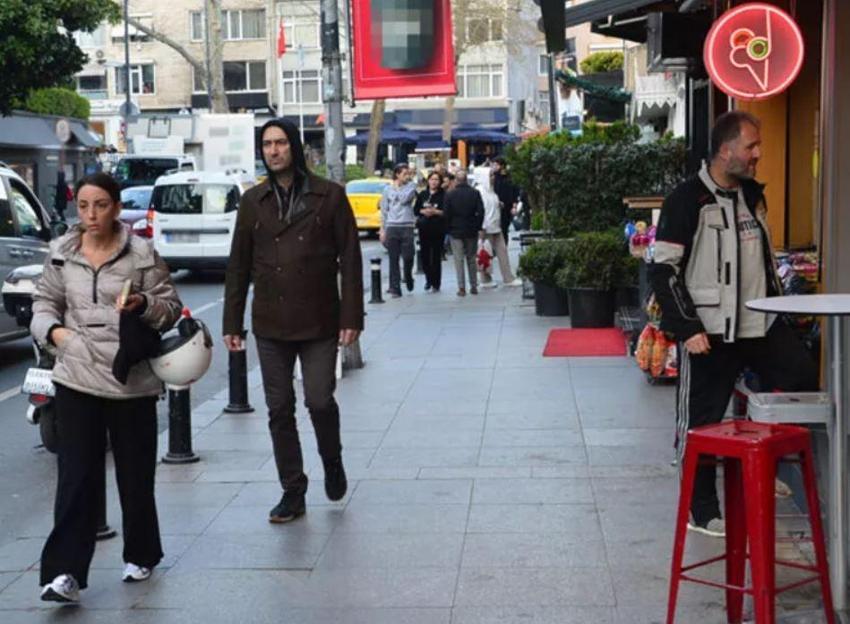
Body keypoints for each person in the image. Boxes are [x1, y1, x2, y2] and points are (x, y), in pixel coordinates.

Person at [649, 111, 818, 538]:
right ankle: (701, 507)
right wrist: (688, 329)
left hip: (760, 323)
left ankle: (769, 463)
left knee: (801, 378)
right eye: (752, 147)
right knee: (701, 420)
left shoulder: (753, 196)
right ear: (726, 151)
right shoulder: (687, 200)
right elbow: (664, 271)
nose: (758, 154)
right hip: (710, 330)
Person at [31, 172, 182, 603]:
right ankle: (65, 574)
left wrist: (144, 304)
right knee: (76, 479)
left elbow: (170, 309)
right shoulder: (61, 251)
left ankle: (141, 553)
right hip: (76, 375)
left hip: (128, 377)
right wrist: (57, 334)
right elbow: (45, 302)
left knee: (136, 478)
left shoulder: (141, 253)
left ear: (116, 207)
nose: (91, 215)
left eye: (100, 205)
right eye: (83, 206)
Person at [223, 118, 363, 525]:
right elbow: (238, 266)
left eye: (281, 143)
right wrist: (233, 323)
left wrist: (351, 315)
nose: (274, 150)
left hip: (319, 318)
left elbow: (350, 260)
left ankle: (332, 461)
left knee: (319, 400)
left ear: (294, 147)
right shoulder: (253, 201)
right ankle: (292, 489)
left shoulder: (330, 196)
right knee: (278, 408)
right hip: (270, 322)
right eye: (267, 144)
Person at [475, 170, 522, 288]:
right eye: (490, 175)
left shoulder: (491, 191)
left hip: (496, 226)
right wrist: (482, 227)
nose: (493, 178)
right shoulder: (480, 191)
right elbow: (481, 211)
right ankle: (485, 279)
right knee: (485, 253)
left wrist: (498, 204)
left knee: (502, 251)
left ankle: (508, 277)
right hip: (486, 227)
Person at [443, 170, 484, 296]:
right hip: (471, 230)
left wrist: (448, 228)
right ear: (466, 180)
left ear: (456, 180)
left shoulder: (450, 195)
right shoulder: (475, 193)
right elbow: (481, 212)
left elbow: (446, 214)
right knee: (471, 258)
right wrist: (477, 226)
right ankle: (474, 285)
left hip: (455, 230)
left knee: (458, 259)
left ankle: (461, 287)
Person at [379, 164, 418, 297]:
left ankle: (408, 275)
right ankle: (395, 288)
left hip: (407, 226)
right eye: (404, 174)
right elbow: (384, 210)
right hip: (392, 226)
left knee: (408, 256)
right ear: (397, 174)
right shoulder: (387, 190)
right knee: (393, 258)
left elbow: (404, 199)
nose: (407, 176)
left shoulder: (411, 186)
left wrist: (397, 188)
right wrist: (382, 229)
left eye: (408, 173)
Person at [414, 171, 447, 292]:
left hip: (438, 229)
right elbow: (416, 210)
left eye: (436, 180)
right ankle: (428, 279)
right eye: (432, 179)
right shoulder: (423, 194)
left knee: (436, 257)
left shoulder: (444, 195)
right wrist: (424, 211)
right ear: (428, 181)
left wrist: (435, 212)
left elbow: (446, 212)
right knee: (425, 256)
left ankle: (436, 283)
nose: (434, 182)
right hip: (424, 229)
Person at [491, 157, 520, 246]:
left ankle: (503, 247)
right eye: (493, 165)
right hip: (494, 207)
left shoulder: (510, 178)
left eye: (496, 165)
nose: (494, 167)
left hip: (507, 207)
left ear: (502, 166)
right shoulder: (493, 177)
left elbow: (515, 192)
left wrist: (514, 206)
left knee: (504, 228)